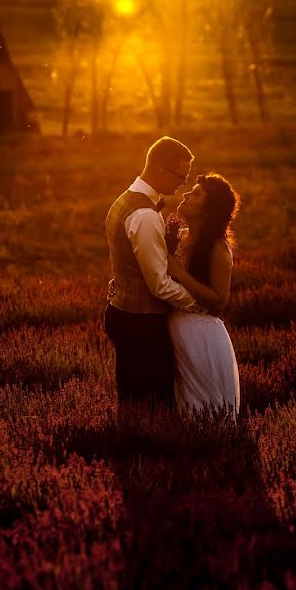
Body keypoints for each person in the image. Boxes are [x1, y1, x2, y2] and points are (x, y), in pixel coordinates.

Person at [104, 136, 197, 413]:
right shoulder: (144, 215)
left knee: (133, 405)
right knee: (155, 404)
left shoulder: (125, 199)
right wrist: (199, 303)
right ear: (160, 170)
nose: (183, 184)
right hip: (142, 324)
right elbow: (159, 286)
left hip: (124, 312)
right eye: (181, 176)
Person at [165, 173, 241, 418]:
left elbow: (220, 300)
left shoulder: (218, 248)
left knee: (203, 409)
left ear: (208, 210)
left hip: (201, 336)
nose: (186, 194)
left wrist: (179, 273)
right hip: (173, 329)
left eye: (196, 194)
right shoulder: (178, 235)